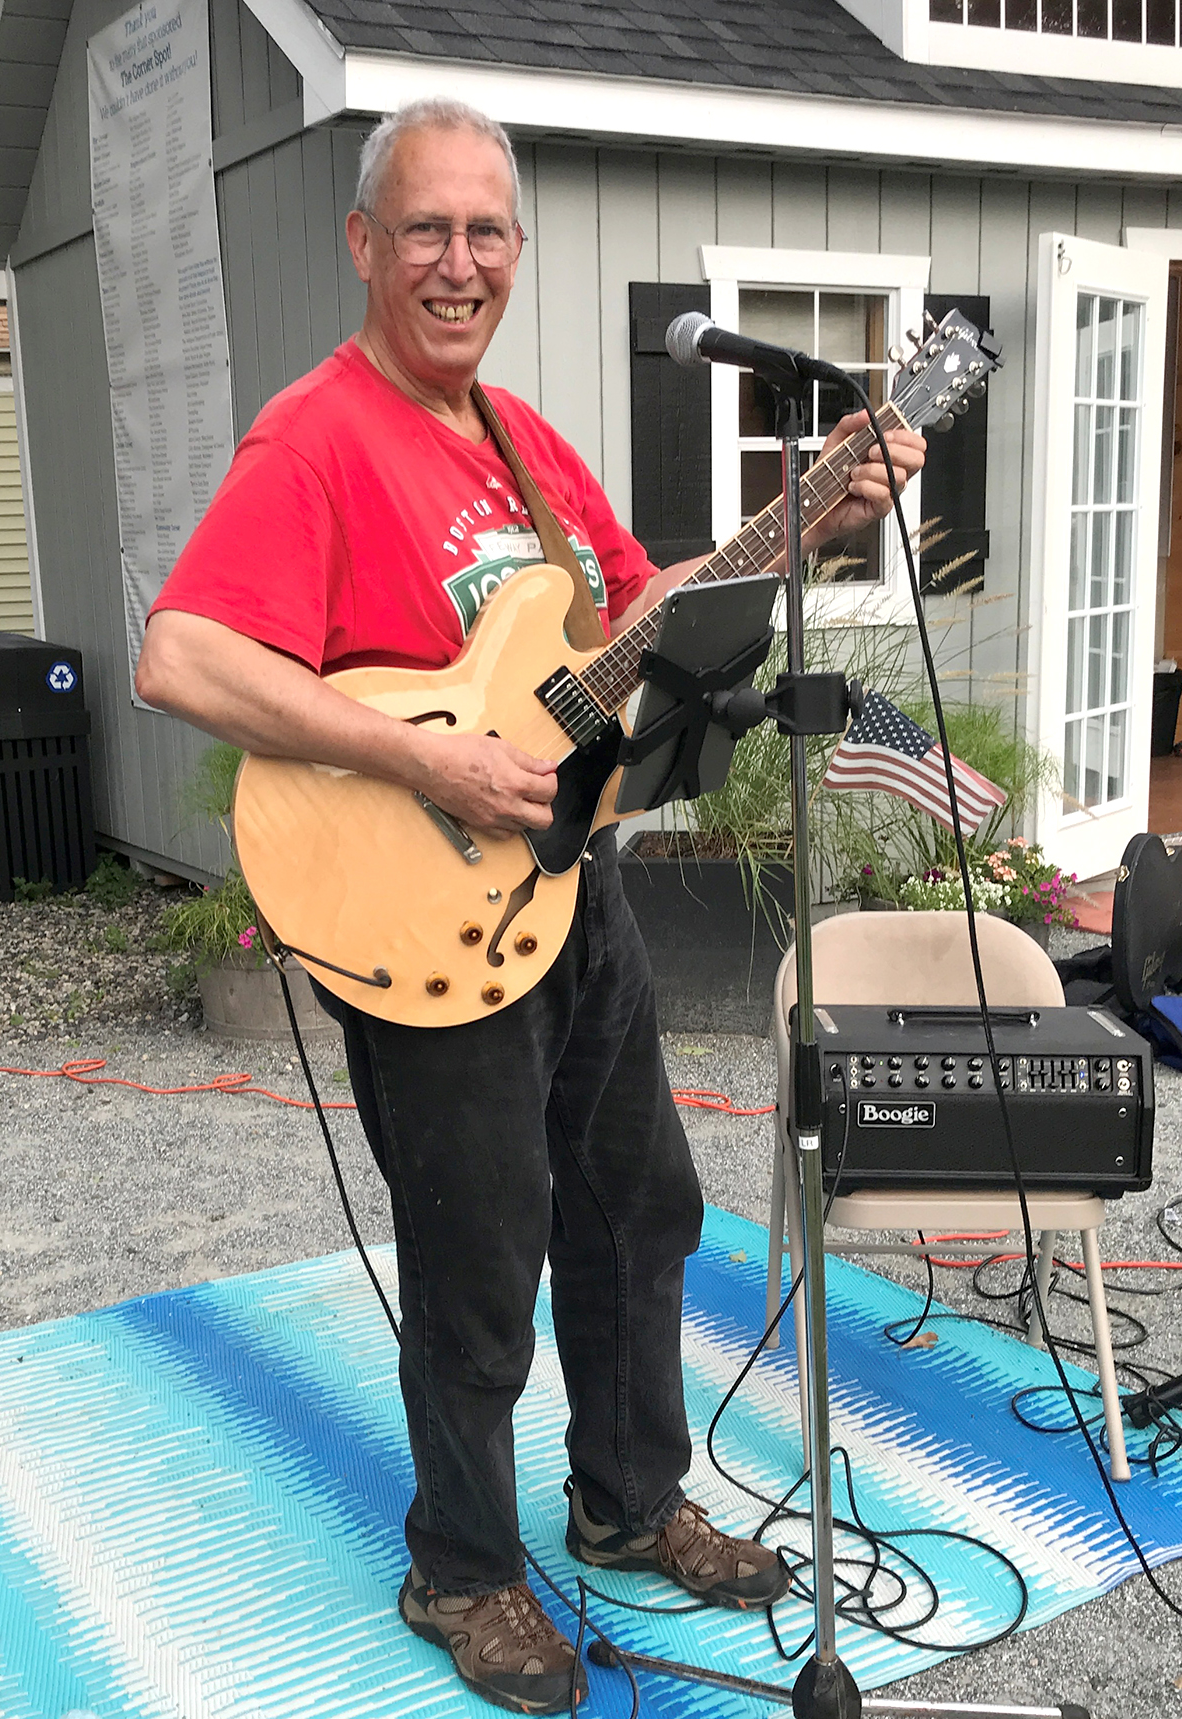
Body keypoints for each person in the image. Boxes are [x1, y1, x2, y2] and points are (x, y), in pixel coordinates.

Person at [137, 97, 926, 1715]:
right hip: (423, 918)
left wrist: (816, 521)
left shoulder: (526, 445)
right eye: (424, 230)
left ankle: (628, 1504)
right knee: (481, 1252)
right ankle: (466, 1569)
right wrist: (418, 762)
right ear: (364, 246)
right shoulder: (319, 436)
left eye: (485, 233)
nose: (457, 262)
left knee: (642, 1211)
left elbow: (653, 628)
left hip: (575, 893)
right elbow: (182, 656)